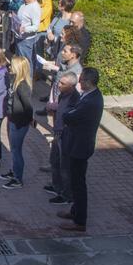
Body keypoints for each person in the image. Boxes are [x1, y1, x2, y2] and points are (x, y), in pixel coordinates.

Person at [58, 67, 103, 232]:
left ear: (89, 82)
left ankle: (80, 221)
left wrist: (67, 113)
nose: (80, 82)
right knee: (75, 180)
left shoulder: (91, 101)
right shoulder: (90, 95)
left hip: (80, 146)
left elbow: (70, 116)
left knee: (78, 184)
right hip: (77, 143)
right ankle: (75, 211)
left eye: (82, 80)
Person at [0, 56, 34, 189]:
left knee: (16, 150)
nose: (9, 67)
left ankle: (18, 178)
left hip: (18, 123)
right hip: (12, 119)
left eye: (12, 65)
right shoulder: (14, 80)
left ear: (18, 68)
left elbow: (28, 107)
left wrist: (25, 121)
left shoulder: (22, 86)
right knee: (13, 149)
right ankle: (14, 171)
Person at [45, 70, 79, 206]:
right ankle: (56, 186)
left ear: (71, 86)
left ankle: (67, 195)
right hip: (57, 133)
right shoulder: (63, 95)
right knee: (54, 161)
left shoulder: (75, 98)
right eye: (59, 82)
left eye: (62, 83)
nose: (58, 85)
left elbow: (71, 117)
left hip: (65, 136)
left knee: (65, 167)